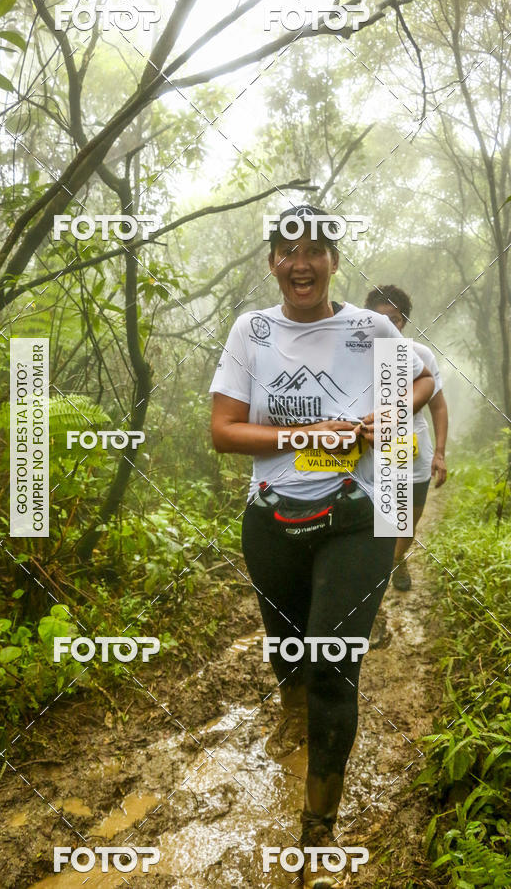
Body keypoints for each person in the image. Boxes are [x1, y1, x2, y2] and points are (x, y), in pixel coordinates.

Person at [209, 205, 435, 888]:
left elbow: (427, 378)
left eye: (314, 250)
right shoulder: (251, 331)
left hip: (355, 516)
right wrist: (311, 437)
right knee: (290, 659)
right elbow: (224, 430)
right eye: (287, 250)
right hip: (272, 518)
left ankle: (317, 833)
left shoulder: (371, 329)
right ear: (272, 261)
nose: (300, 262)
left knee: (333, 665)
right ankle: (292, 713)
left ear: (335, 260)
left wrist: (388, 415)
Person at [365, 286, 448, 591]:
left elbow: (438, 406)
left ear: (404, 323)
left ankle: (397, 559)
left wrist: (439, 453)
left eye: (395, 320)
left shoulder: (420, 355)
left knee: (408, 522)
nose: (388, 325)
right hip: (371, 454)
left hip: (414, 452)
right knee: (381, 523)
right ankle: (376, 580)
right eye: (379, 318)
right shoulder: (356, 355)